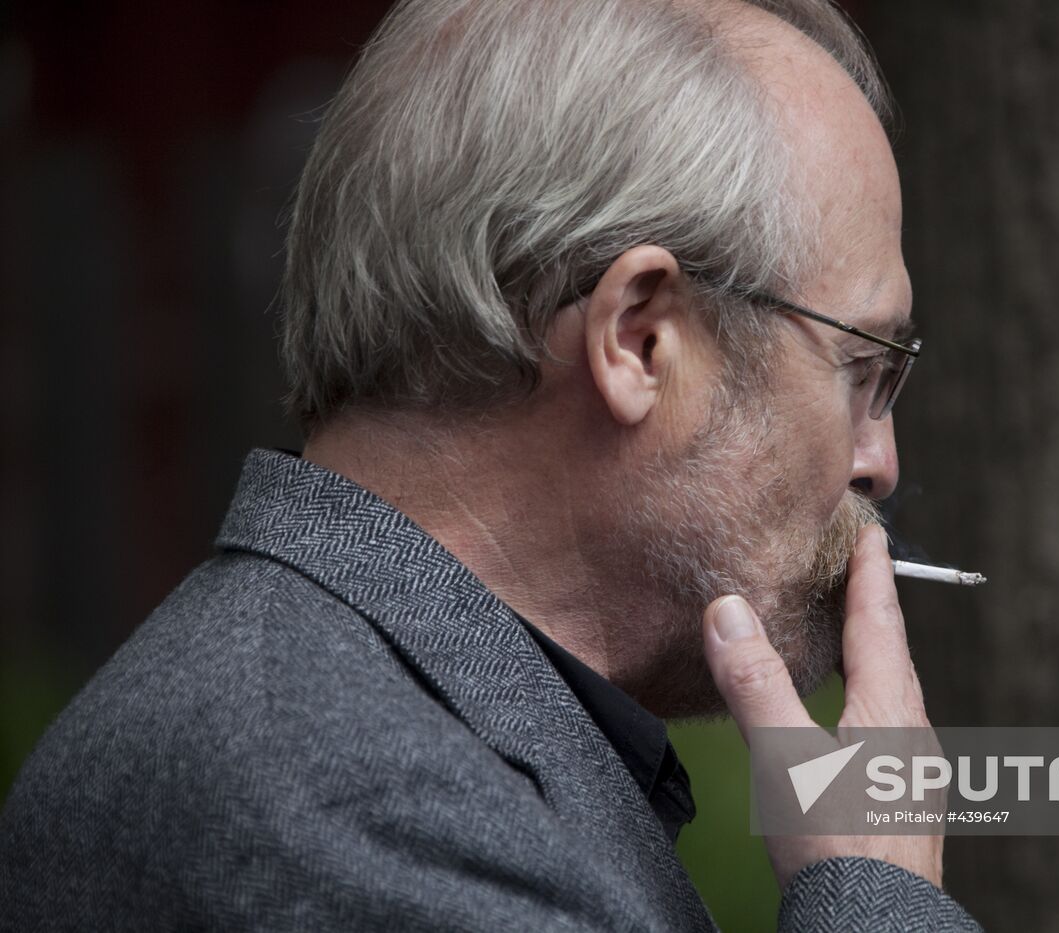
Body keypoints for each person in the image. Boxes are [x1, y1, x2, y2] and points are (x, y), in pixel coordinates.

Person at [0, 0, 982, 929]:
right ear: (640, 340)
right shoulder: (367, 806)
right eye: (860, 368)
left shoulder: (357, 714)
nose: (878, 462)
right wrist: (874, 889)